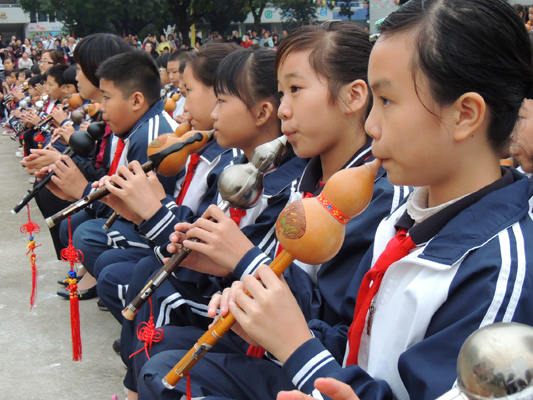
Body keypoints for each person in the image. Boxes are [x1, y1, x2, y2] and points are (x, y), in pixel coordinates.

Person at [139, 1, 533, 400]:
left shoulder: (498, 270)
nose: (371, 123)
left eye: (387, 101)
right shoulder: (403, 217)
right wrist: (270, 322)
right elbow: (358, 342)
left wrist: (296, 345)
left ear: (465, 115)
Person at [135, 21, 402, 400]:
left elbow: (330, 320)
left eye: (295, 89)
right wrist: (219, 262)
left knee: (163, 365)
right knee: (159, 349)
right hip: (278, 349)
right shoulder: (304, 182)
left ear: (354, 96)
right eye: (281, 93)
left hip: (315, 370)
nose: (284, 110)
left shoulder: (376, 199)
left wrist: (243, 261)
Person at [48, 50, 179, 299]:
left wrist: (85, 192)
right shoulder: (137, 128)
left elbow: (141, 214)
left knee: (86, 236)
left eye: (106, 98)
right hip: (148, 226)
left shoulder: (151, 137)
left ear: (136, 101)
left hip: (162, 237)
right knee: (76, 226)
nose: (102, 106)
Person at [23, 33, 132, 261]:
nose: (75, 75)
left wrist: (65, 157)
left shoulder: (125, 120)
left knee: (78, 226)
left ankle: (81, 263)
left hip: (120, 211)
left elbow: (112, 176)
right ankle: (76, 262)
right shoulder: (102, 112)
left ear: (100, 70)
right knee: (47, 186)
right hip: (107, 195)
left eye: (80, 68)